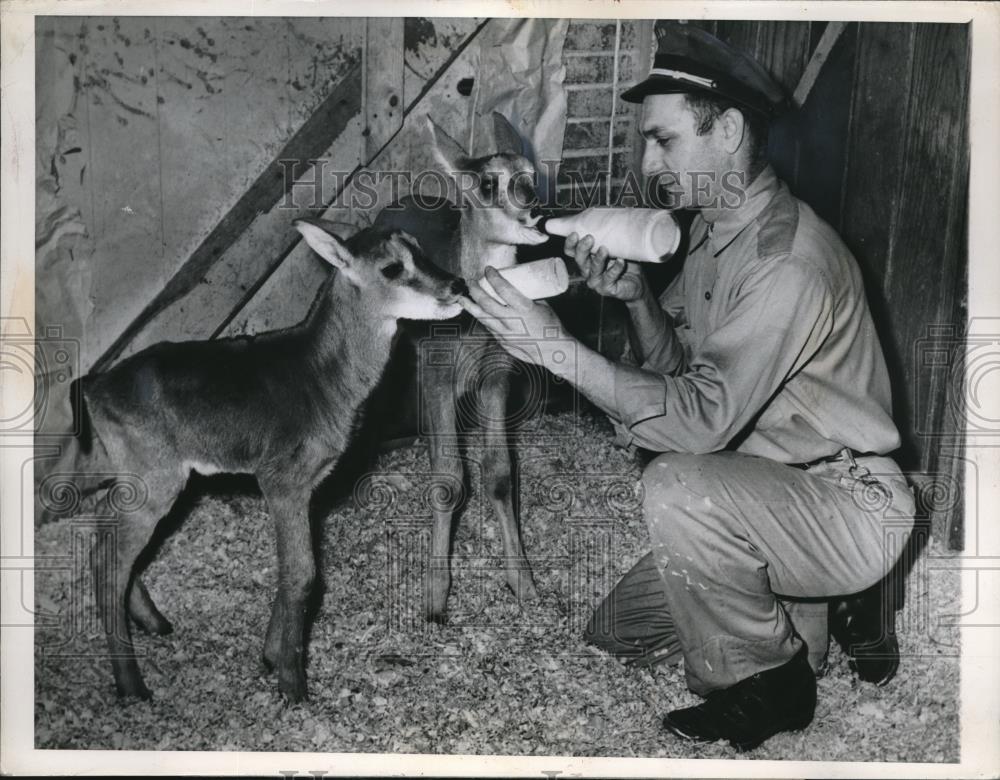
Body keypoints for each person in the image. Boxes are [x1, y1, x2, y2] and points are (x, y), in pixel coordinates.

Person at [459, 22, 916, 752]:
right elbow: (682, 379)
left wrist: (551, 347)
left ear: (729, 130)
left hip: (842, 497)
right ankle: (809, 604)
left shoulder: (786, 261)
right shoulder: (710, 228)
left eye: (663, 140)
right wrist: (639, 300)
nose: (646, 162)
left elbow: (698, 424)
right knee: (614, 635)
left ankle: (778, 679)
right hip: (761, 488)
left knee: (675, 486)